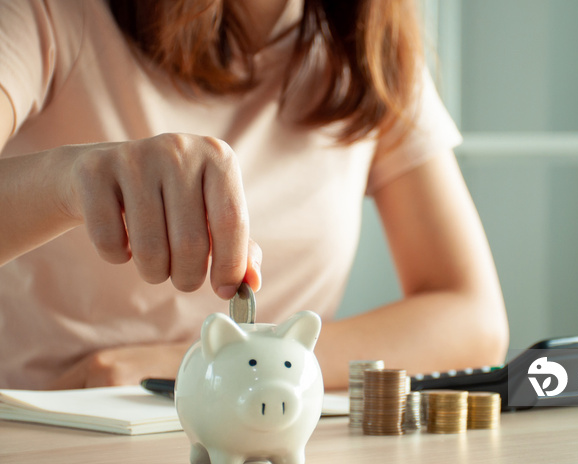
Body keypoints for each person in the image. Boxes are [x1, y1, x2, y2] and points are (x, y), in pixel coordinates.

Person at [0, 0, 508, 391]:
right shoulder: (44, 14)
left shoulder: (362, 50)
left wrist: (195, 365)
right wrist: (71, 179)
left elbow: (472, 318)